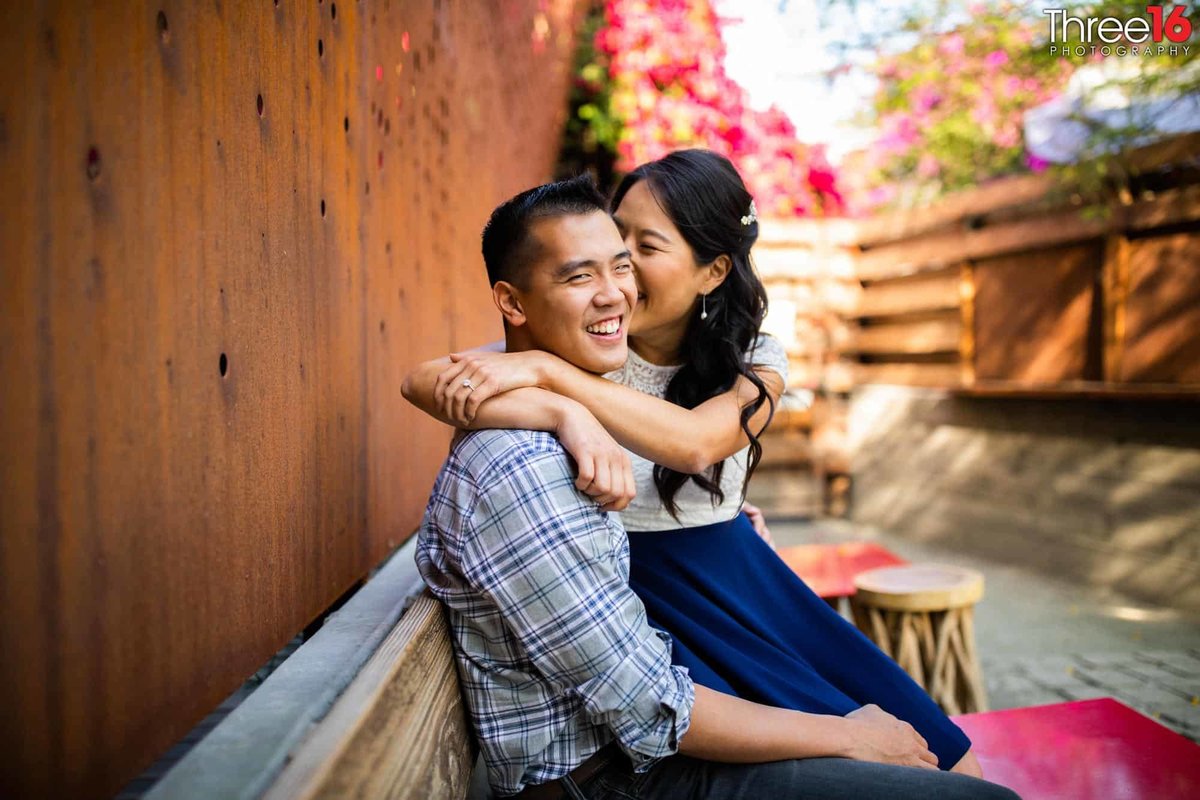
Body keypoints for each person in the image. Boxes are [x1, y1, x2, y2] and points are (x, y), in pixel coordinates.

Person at [413, 174, 1020, 799]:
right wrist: (556, 405)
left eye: (637, 252)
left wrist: (548, 379)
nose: (622, 282)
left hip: (736, 576)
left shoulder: (734, 357)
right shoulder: (575, 357)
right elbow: (423, 382)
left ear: (712, 272)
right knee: (874, 757)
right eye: (602, 255)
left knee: (941, 750)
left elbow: (697, 442)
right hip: (649, 595)